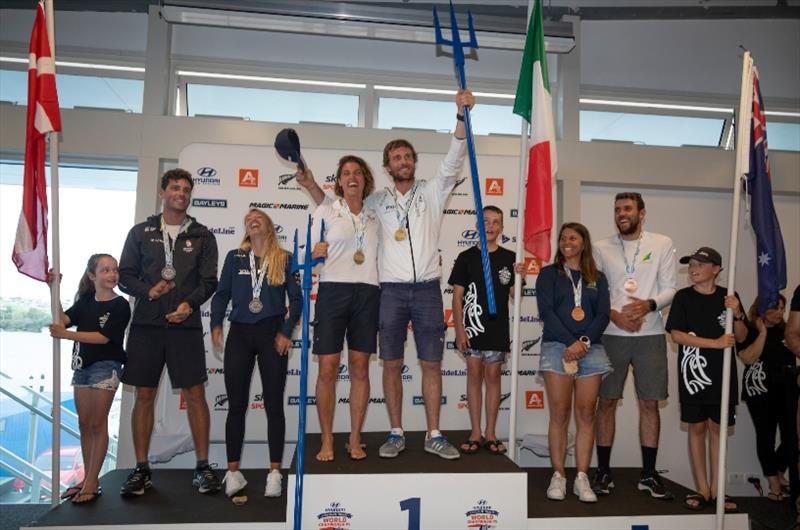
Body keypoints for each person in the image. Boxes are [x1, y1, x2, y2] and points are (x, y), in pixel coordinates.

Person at [297, 89, 474, 459]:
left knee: (431, 362)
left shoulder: (434, 192)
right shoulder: (375, 201)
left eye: (408, 156)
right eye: (396, 158)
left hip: (426, 289)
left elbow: (455, 159)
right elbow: (336, 207)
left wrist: (460, 116)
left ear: (414, 162)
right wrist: (313, 186)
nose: (404, 161)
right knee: (391, 363)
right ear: (387, 166)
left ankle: (434, 433)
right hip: (388, 291)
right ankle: (395, 432)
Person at [118, 168, 220, 496]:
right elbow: (125, 276)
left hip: (185, 326)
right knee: (144, 395)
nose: (181, 193)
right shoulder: (140, 232)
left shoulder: (203, 235)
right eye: (175, 187)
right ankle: (141, 469)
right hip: (147, 325)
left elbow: (209, 281)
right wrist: (149, 292)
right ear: (163, 191)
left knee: (195, 395)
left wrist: (189, 304)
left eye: (186, 189)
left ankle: (203, 468)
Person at [210, 208, 301, 498]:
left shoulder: (283, 258)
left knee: (274, 404)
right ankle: (233, 472)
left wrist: (286, 332)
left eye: (258, 216)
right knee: (236, 405)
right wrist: (215, 324)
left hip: (272, 335)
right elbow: (222, 293)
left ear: (269, 226)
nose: (253, 219)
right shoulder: (234, 257)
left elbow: (297, 299)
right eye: (248, 217)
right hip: (239, 334)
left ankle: (275, 472)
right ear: (246, 227)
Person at [592, 191, 677, 499]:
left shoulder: (662, 243)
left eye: (627, 209)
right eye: (617, 209)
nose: (621, 214)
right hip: (612, 335)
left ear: (642, 213)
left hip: (650, 334)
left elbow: (670, 287)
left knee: (649, 404)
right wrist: (614, 314)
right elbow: (596, 292)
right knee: (606, 403)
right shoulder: (600, 247)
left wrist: (649, 305)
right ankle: (602, 472)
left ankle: (649, 474)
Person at [308, 155, 379, 462]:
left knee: (360, 369)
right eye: (346, 173)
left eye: (358, 173)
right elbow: (310, 257)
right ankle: (326, 440)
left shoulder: (376, 213)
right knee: (328, 369)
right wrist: (315, 251)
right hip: (332, 289)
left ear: (365, 180)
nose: (352, 177)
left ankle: (354, 439)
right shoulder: (325, 210)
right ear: (338, 180)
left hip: (367, 291)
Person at [664, 247, 747, 512]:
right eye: (691, 264)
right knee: (697, 429)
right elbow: (677, 335)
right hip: (694, 376)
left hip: (723, 375)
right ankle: (701, 488)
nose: (693, 268)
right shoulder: (683, 297)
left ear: (716, 269)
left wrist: (739, 314)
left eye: (700, 264)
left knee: (717, 430)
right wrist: (714, 343)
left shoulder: (728, 297)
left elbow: (743, 336)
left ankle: (718, 490)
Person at [536, 223, 611, 503]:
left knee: (586, 415)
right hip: (558, 346)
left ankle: (581, 477)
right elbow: (546, 312)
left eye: (573, 238)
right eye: (563, 237)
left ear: (583, 243)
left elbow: (603, 315)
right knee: (559, 413)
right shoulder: (548, 274)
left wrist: (584, 343)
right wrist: (571, 342)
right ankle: (558, 475)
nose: (567, 242)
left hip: (591, 350)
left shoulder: (597, 277)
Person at [49, 254, 131, 504]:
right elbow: (62, 320)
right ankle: (87, 477)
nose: (112, 274)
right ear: (92, 276)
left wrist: (66, 336)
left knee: (97, 423)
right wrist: (53, 288)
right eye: (105, 270)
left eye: (114, 270)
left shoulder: (120, 305)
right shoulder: (85, 300)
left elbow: (104, 337)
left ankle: (93, 481)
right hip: (82, 367)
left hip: (107, 366)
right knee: (84, 424)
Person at [448, 206, 525, 457]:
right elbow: (456, 297)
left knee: (493, 377)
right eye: (486, 222)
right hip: (472, 326)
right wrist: (460, 331)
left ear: (502, 228)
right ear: (478, 225)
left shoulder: (510, 257)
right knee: (474, 374)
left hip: (497, 327)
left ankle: (491, 433)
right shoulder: (466, 257)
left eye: (496, 222)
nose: (490, 226)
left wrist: (521, 278)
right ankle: (475, 432)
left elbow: (515, 295)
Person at [738, 294, 798, 506]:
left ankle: (779, 472)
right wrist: (762, 331)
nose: (780, 312)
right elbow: (747, 357)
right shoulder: (750, 330)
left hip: (788, 388)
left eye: (783, 308)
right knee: (766, 436)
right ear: (762, 308)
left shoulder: (788, 331)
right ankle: (774, 484)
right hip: (761, 390)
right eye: (775, 308)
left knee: (792, 436)